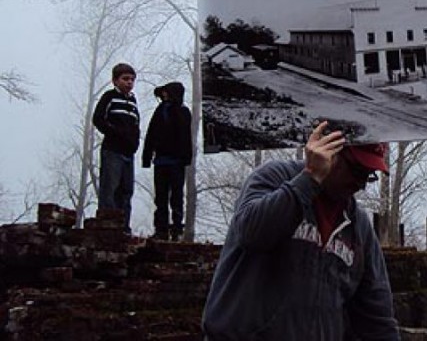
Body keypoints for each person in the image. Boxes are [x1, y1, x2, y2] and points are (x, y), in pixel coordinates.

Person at [202, 121, 400, 340]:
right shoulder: (274, 178)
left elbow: (376, 315)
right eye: (356, 171)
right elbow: (251, 232)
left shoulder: (358, 227)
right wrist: (310, 178)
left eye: (368, 175)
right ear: (329, 150)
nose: (360, 184)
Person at [92, 62, 140, 234]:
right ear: (115, 80)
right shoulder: (109, 97)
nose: (129, 82)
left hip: (128, 153)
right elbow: (98, 118)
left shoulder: (133, 101)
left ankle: (123, 227)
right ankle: (107, 226)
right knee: (109, 188)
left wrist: (135, 142)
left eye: (132, 79)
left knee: (126, 191)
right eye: (125, 79)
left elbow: (136, 124)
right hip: (112, 150)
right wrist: (114, 132)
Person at [142, 81, 192, 241]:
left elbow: (186, 137)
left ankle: (177, 229)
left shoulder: (183, 112)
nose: (164, 95)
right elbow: (151, 134)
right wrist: (147, 157)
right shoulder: (160, 110)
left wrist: (186, 158)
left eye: (167, 92)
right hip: (161, 161)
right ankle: (161, 229)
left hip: (176, 161)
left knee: (176, 198)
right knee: (161, 198)